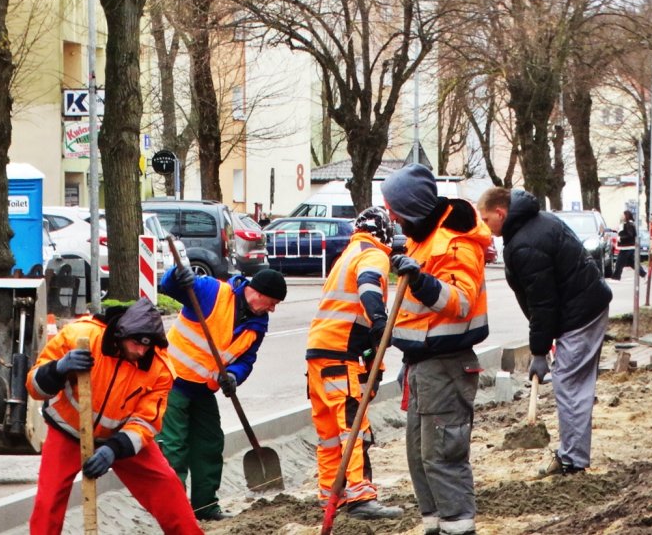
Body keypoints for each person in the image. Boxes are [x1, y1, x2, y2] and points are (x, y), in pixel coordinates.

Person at [26, 299, 202, 535]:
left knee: (166, 485)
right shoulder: (81, 335)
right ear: (121, 333)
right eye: (136, 343)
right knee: (48, 503)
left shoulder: (160, 369)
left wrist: (114, 449)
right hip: (67, 431)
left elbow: (146, 422)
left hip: (120, 438)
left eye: (147, 346)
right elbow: (34, 388)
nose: (140, 351)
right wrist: (58, 368)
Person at [381, 164, 491, 535]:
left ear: (412, 206)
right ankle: (435, 526)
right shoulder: (423, 238)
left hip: (447, 367)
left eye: (394, 208)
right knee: (419, 458)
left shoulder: (457, 242)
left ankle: (458, 528)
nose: (391, 216)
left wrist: (421, 280)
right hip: (422, 365)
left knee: (442, 456)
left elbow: (460, 301)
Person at [475, 187, 612, 479]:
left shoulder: (526, 243)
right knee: (572, 381)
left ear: (501, 213)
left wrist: (539, 351)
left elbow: (542, 303)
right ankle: (571, 455)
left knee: (569, 383)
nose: (485, 227)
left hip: (581, 313)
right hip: (583, 305)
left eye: (486, 220)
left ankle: (572, 461)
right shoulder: (534, 223)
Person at [157, 265, 287, 521]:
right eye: (272, 302)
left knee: (210, 442)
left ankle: (205, 507)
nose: (273, 309)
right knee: (174, 447)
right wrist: (175, 275)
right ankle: (176, 511)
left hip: (203, 389)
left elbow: (247, 359)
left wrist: (233, 376)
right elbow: (170, 286)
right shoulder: (212, 292)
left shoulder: (258, 323)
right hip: (173, 378)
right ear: (257, 293)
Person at [305, 206, 403, 520]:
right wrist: (379, 318)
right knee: (352, 428)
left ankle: (332, 497)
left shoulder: (345, 255)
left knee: (330, 433)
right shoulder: (373, 254)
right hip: (340, 354)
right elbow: (369, 285)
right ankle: (360, 497)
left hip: (319, 355)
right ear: (385, 233)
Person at [611, 210, 645, 281]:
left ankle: (616, 277)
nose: (621, 216)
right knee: (633, 264)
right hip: (627, 247)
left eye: (623, 215)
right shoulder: (627, 224)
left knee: (619, 263)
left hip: (626, 248)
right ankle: (644, 275)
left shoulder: (629, 224)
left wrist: (620, 238)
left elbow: (630, 235)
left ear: (626, 216)